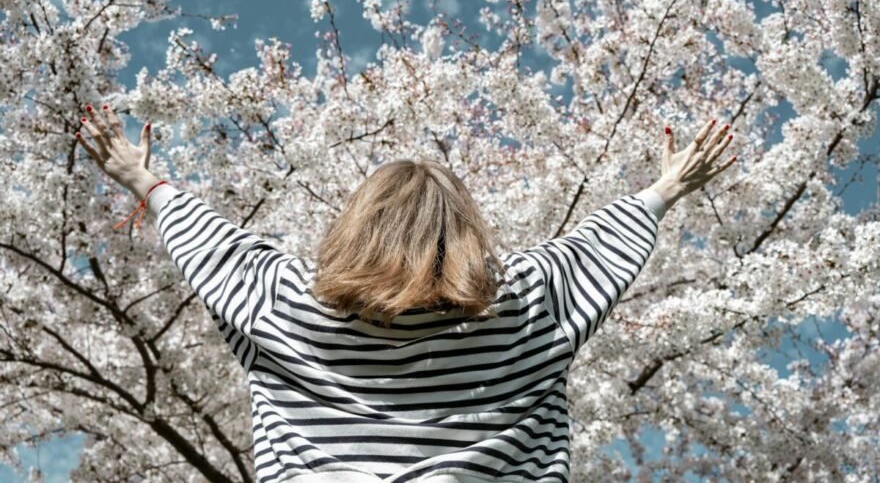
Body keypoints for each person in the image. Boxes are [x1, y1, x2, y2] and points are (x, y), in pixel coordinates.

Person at [75, 104, 735, 483]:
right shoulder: (530, 307)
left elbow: (213, 246)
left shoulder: (282, 308)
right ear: (468, 230)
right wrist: (665, 190)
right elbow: (597, 249)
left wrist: (145, 181)